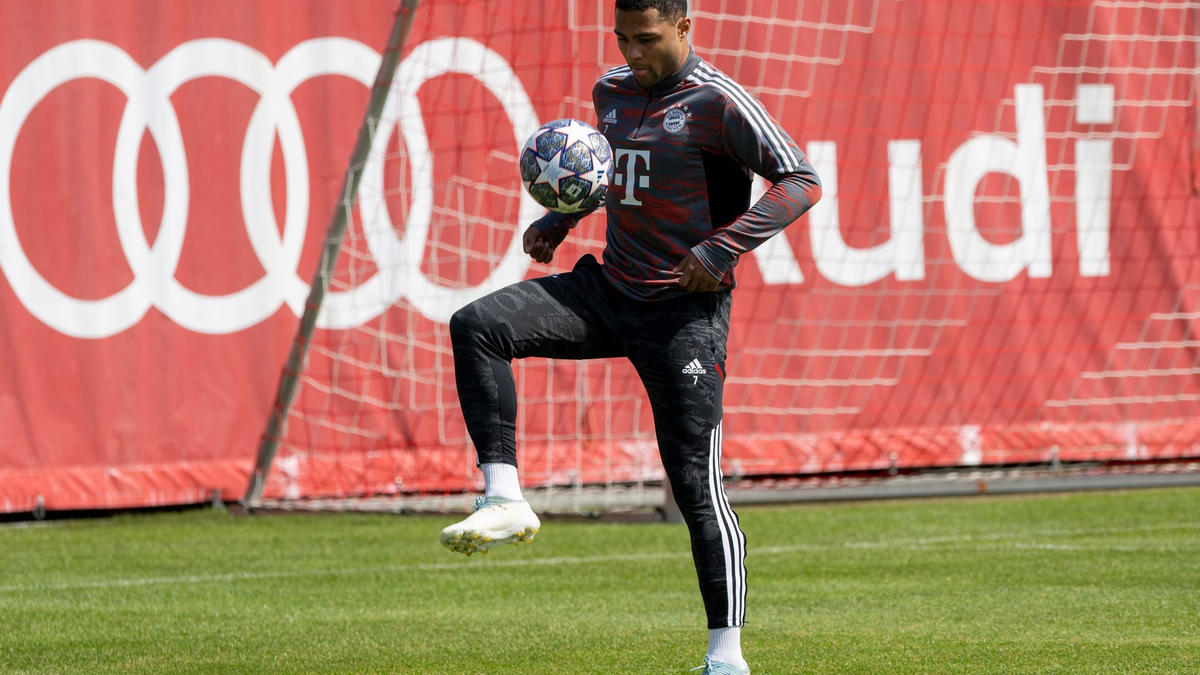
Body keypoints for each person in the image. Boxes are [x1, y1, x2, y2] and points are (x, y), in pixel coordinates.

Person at [440, 0, 821, 672]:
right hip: (609, 291)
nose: (633, 53)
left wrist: (723, 248)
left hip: (682, 314)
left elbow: (801, 179)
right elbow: (610, 174)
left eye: (647, 39)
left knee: (696, 486)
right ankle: (503, 497)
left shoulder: (718, 101)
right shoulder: (611, 92)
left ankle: (726, 657)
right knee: (478, 325)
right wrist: (558, 223)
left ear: (684, 28)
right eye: (622, 38)